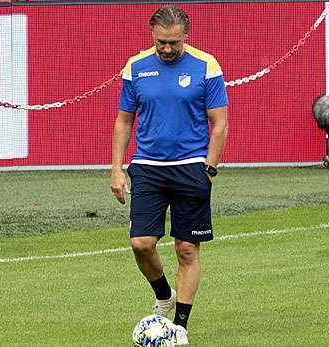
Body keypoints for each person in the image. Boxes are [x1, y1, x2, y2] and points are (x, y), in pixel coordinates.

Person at [110, 5, 228, 345]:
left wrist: (209, 167)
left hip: (192, 167)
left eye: (174, 42)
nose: (167, 48)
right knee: (141, 244)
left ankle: (180, 327)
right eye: (161, 41)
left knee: (187, 249)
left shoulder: (207, 66)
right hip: (147, 167)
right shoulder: (135, 67)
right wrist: (117, 169)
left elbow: (219, 123)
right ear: (152, 35)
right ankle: (164, 295)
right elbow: (124, 121)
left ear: (185, 37)